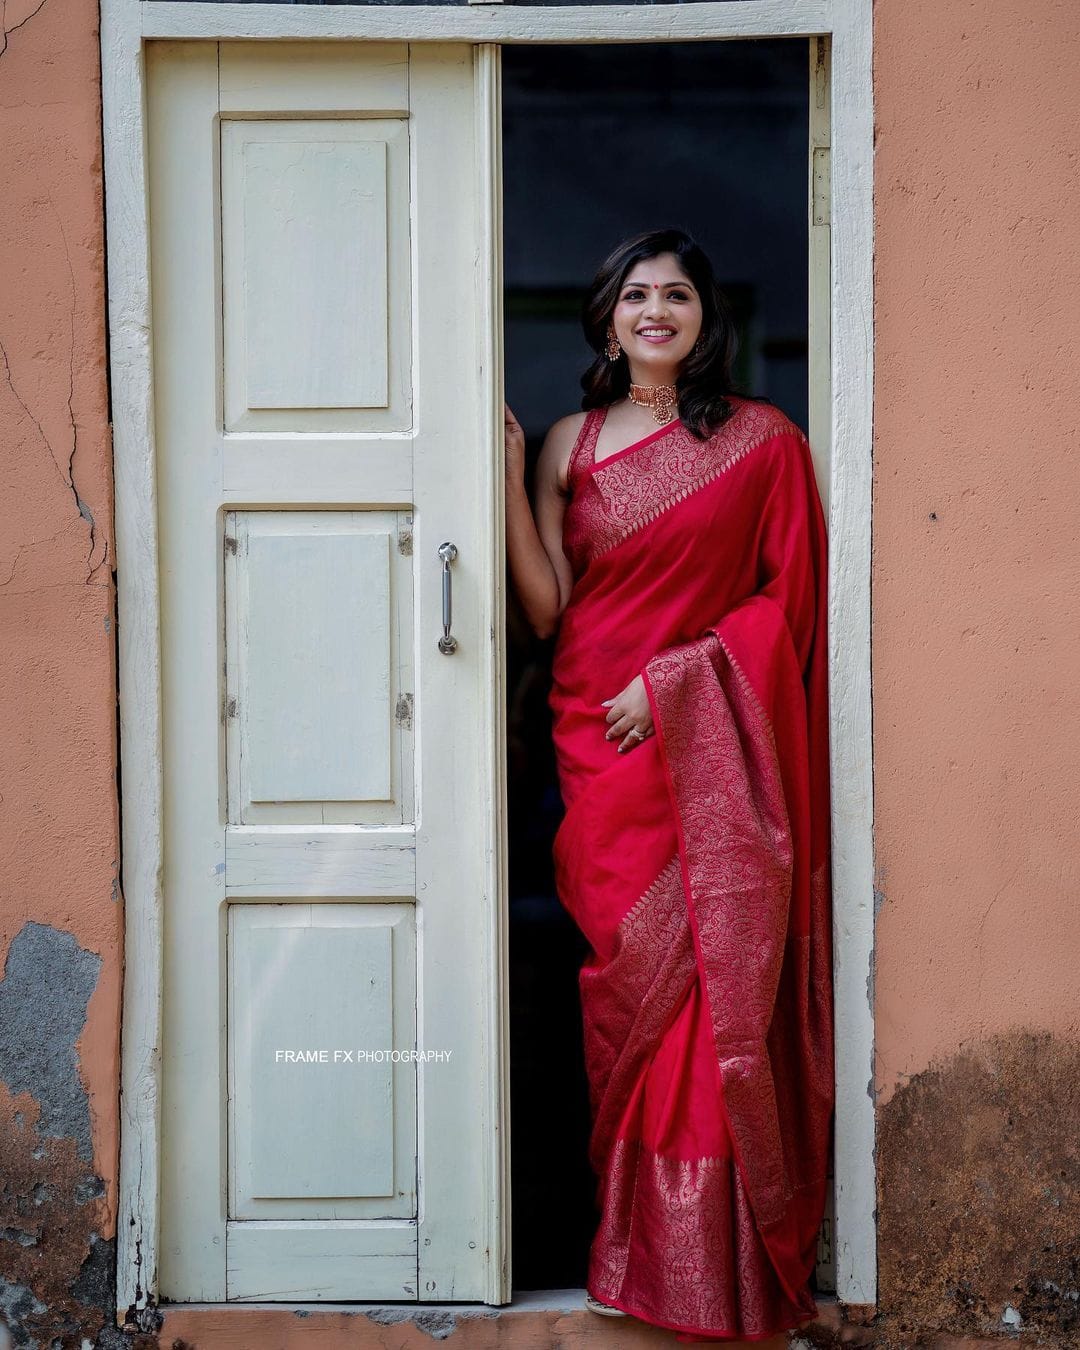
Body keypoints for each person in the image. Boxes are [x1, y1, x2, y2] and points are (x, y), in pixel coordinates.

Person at [504, 226, 834, 1344]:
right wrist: (508, 479)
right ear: (605, 317)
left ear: (707, 318)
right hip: (597, 746)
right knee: (629, 997)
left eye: (677, 295)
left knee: (709, 1001)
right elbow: (549, 608)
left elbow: (789, 603)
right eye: (636, 295)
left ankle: (710, 1270)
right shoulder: (572, 441)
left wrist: (681, 681)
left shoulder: (762, 441)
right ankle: (632, 1254)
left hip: (691, 739)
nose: (656, 311)